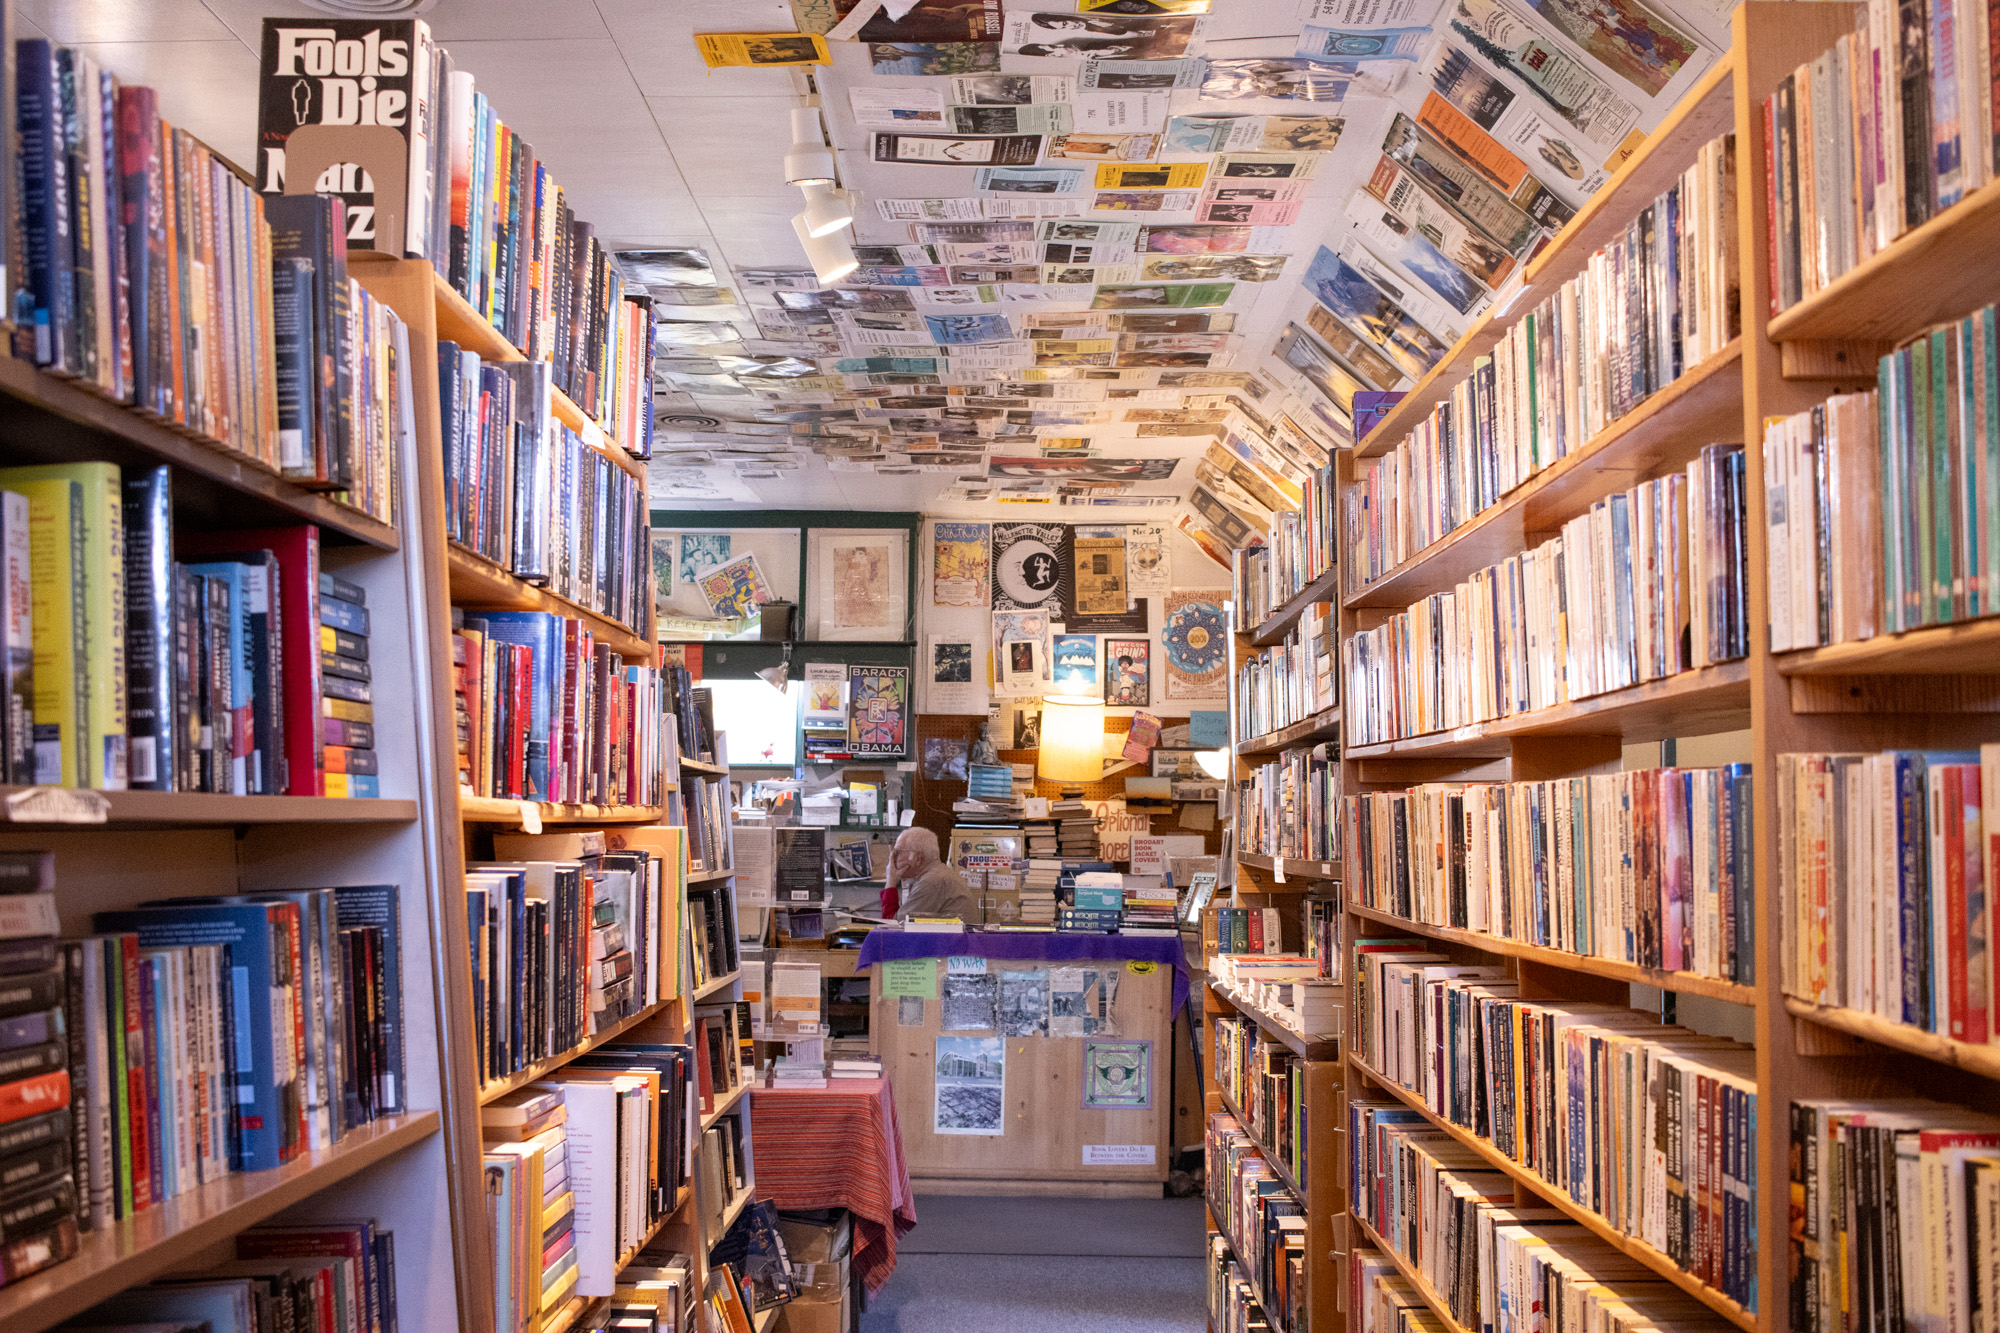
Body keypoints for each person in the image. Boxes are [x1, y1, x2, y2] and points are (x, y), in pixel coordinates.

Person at [879, 827, 980, 922]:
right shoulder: (938, 873)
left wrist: (890, 881)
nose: (893, 858)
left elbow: (893, 926)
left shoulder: (931, 882)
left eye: (897, 852)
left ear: (918, 858)